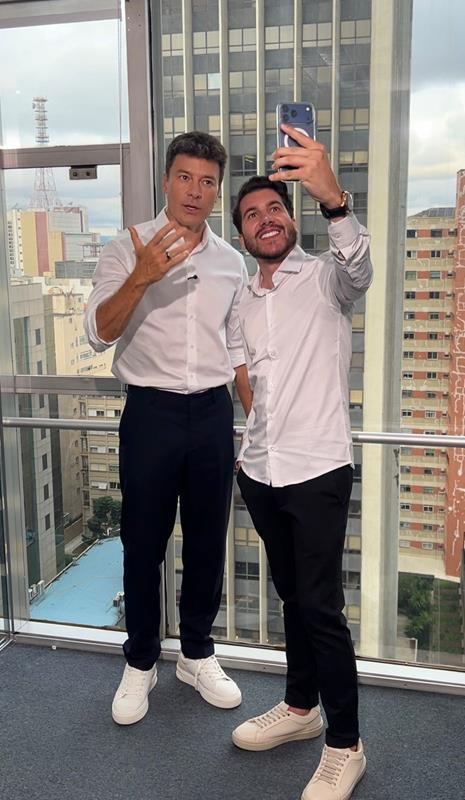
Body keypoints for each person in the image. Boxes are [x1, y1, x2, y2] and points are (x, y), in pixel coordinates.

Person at [84, 131, 252, 726]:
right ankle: (140, 661)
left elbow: (237, 346)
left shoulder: (231, 262)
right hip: (150, 413)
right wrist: (142, 275)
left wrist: (254, 421)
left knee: (207, 541)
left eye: (207, 182)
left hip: (212, 413)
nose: (195, 191)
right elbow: (98, 332)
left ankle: (197, 654)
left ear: (216, 191)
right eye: (185, 177)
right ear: (165, 181)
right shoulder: (126, 247)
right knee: (143, 542)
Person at [230, 124, 373, 800]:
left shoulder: (324, 278)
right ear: (241, 233)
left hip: (317, 470)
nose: (266, 219)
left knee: (320, 607)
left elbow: (359, 269)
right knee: (291, 596)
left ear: (291, 219)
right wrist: (254, 439)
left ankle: (345, 745)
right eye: (252, 213)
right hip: (260, 472)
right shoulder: (240, 299)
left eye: (275, 208)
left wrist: (333, 200)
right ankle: (299, 706)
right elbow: (245, 377)